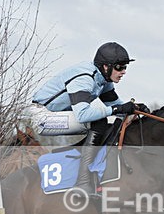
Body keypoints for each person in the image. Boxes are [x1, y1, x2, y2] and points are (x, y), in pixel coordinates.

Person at [31, 41, 148, 195]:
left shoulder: (104, 80)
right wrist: (117, 109)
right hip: (43, 118)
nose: (124, 71)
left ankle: (95, 171)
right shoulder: (85, 78)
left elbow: (118, 108)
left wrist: (136, 109)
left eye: (125, 67)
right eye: (119, 67)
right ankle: (83, 181)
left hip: (59, 115)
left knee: (112, 124)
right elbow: (83, 115)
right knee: (98, 121)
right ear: (106, 67)